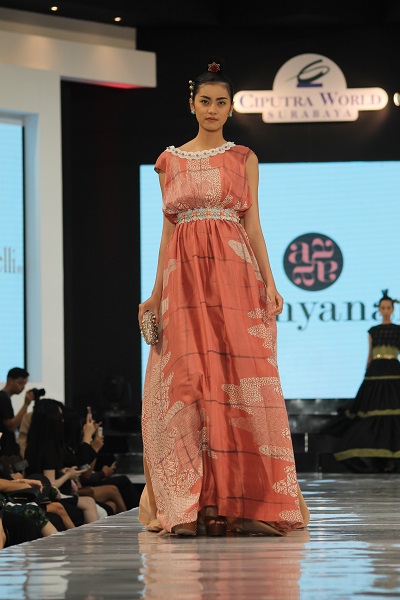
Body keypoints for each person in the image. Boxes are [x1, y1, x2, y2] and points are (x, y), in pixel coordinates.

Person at [137, 57, 309, 537]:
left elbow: (253, 225)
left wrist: (270, 282)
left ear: (231, 108)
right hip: (184, 283)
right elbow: (167, 234)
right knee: (187, 385)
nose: (213, 109)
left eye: (221, 102)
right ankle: (188, 507)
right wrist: (155, 293)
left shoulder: (243, 158)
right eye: (205, 101)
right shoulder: (168, 161)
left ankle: (246, 504)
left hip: (235, 277)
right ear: (192, 104)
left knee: (241, 382)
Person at [323, 289, 400, 473]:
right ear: (379, 309)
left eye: (388, 307)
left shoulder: (398, 330)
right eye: (383, 307)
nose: (386, 310)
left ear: (392, 309)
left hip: (394, 371)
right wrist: (367, 373)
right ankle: (379, 459)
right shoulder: (373, 331)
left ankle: (391, 459)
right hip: (375, 372)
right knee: (373, 411)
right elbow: (370, 354)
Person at [0, 367, 34, 458]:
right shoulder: (2, 398)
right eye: (20, 383)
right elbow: (11, 425)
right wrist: (26, 404)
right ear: (10, 380)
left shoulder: (5, 398)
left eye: (24, 384)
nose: (22, 387)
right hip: (5, 451)